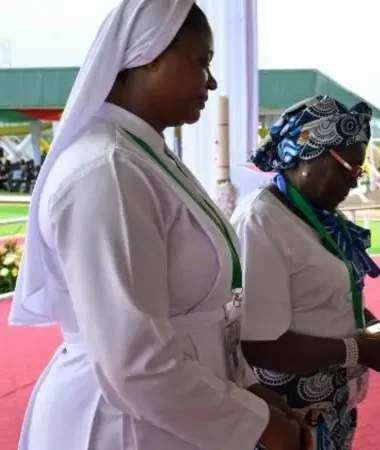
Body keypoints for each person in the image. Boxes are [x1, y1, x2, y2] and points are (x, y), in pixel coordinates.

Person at [9, 1, 308, 449]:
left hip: (172, 409)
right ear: (147, 55)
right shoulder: (106, 171)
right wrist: (257, 421)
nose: (211, 81)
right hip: (120, 421)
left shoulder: (145, 156)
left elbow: (198, 318)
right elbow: (134, 361)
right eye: (200, 62)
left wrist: (247, 391)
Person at [232, 96, 380, 450]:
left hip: (331, 407)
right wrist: (358, 349)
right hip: (288, 418)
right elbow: (260, 345)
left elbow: (330, 299)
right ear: (308, 155)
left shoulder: (319, 217)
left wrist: (373, 329)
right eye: (350, 167)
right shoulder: (262, 222)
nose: (356, 181)